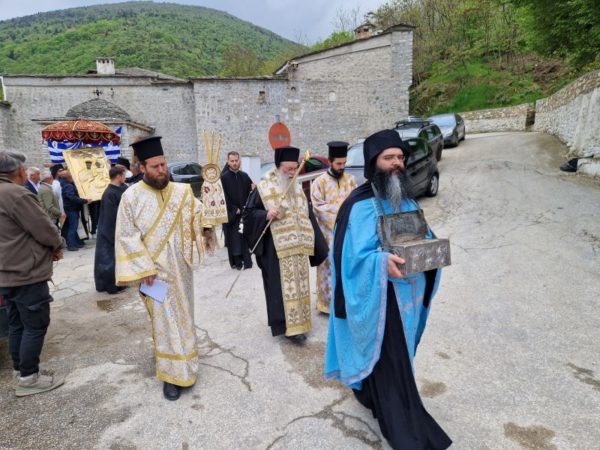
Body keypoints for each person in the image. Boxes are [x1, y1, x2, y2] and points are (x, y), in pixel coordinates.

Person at [324, 130, 452, 449]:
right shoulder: (357, 206)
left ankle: (373, 397)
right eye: (388, 157)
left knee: (393, 359)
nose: (397, 163)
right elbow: (349, 259)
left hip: (408, 296)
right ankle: (405, 431)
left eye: (400, 157)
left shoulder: (406, 199)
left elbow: (423, 236)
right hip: (380, 299)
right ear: (373, 163)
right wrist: (380, 263)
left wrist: (432, 250)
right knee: (393, 363)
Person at [114, 136, 216, 401]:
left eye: (163, 164)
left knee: (184, 318)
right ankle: (171, 375)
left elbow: (198, 216)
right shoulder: (130, 198)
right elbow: (126, 236)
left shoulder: (182, 192)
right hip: (153, 275)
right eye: (155, 166)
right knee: (164, 323)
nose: (162, 170)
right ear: (142, 168)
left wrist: (208, 222)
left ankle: (188, 363)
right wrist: (143, 268)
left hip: (181, 271)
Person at [243, 146, 327, 343]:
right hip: (276, 250)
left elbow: (307, 215)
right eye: (288, 169)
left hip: (298, 248)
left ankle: (301, 323)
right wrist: (266, 214)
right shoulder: (264, 188)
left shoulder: (296, 187)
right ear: (278, 167)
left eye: (294, 168)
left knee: (300, 286)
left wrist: (318, 246)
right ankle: (286, 327)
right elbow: (248, 214)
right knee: (280, 289)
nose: (292, 173)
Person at [0, 151, 65, 397]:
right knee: (35, 325)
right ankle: (28, 378)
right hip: (25, 272)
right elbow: (43, 227)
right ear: (19, 171)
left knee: (17, 324)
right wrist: (57, 245)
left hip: (7, 272)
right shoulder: (15, 194)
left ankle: (21, 371)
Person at [310, 141, 357, 314]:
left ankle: (346, 303)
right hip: (328, 235)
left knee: (347, 266)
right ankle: (327, 305)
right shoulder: (319, 182)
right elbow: (318, 208)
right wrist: (342, 211)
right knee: (328, 267)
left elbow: (356, 205)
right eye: (338, 163)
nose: (342, 167)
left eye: (344, 163)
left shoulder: (351, 180)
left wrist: (348, 214)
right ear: (330, 161)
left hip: (348, 233)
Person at [94, 165, 128, 294]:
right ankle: (110, 285)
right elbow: (110, 216)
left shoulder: (122, 188)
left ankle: (121, 281)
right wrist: (113, 234)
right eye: (123, 175)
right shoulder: (109, 193)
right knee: (108, 259)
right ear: (119, 176)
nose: (125, 178)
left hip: (120, 229)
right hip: (110, 230)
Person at [221, 151, 254, 270]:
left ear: (239, 161)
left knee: (244, 237)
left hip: (244, 213)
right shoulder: (223, 178)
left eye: (236, 160)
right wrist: (234, 209)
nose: (234, 163)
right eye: (232, 161)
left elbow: (251, 191)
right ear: (228, 162)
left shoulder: (244, 176)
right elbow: (223, 196)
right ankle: (237, 262)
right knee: (234, 239)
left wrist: (253, 188)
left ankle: (247, 260)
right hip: (232, 214)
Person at [60, 169, 89, 251]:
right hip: (71, 209)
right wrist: (85, 201)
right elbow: (72, 197)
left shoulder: (66, 184)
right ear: (69, 177)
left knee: (73, 226)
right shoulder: (68, 186)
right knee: (73, 227)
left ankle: (75, 243)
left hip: (70, 208)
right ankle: (71, 245)